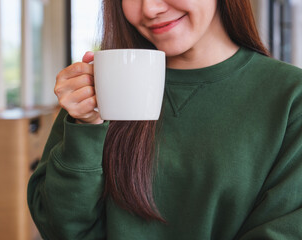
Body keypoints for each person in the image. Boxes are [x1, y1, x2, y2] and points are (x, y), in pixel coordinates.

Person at [27, 0, 302, 239]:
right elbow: (60, 228)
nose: (149, 8)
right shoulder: (102, 85)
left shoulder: (290, 97)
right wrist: (86, 126)